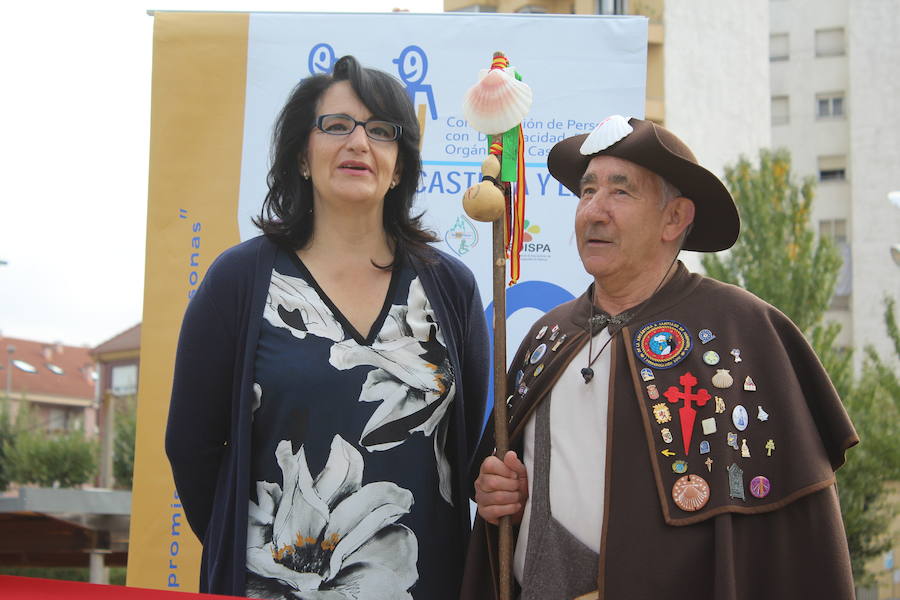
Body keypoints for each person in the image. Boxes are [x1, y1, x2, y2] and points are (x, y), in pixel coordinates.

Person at [461, 115, 858, 600]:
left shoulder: (741, 334)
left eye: (620, 192)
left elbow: (790, 536)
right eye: (587, 192)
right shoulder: (549, 335)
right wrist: (503, 495)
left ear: (675, 219)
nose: (594, 212)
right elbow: (508, 498)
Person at [165, 55, 489, 599]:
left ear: (400, 166)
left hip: (425, 583)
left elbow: (469, 445)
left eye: (380, 131)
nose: (358, 143)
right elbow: (191, 445)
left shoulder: (450, 288)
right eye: (336, 126)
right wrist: (246, 553)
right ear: (302, 157)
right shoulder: (241, 281)